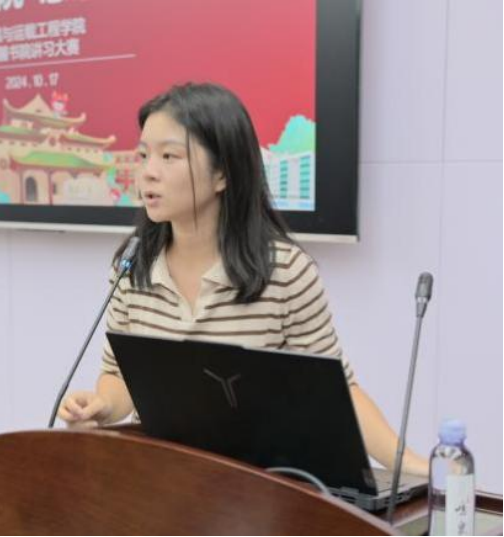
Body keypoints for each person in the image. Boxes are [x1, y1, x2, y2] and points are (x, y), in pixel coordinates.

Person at [58, 82, 428, 476]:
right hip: (162, 480)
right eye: (143, 155)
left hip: (260, 487)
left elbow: (338, 393)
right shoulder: (133, 266)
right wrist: (102, 408)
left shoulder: (284, 272)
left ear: (222, 173)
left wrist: (411, 466)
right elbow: (119, 376)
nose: (148, 173)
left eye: (169, 156)